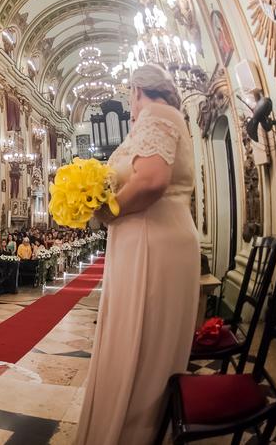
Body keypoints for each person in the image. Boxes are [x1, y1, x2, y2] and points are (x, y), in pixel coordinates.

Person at [76, 64, 199, 444]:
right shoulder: (163, 117)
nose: (129, 106)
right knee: (138, 344)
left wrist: (107, 211)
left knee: (140, 348)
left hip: (152, 243)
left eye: (129, 95)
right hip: (150, 239)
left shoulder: (156, 113)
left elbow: (151, 180)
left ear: (137, 89)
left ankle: (130, 434)